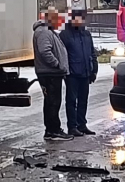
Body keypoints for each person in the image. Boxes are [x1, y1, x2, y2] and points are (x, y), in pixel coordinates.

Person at [32, 9, 72, 141]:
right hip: (50, 73)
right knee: (53, 102)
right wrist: (57, 64)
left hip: (51, 73)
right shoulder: (43, 31)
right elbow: (45, 51)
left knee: (52, 102)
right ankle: (53, 130)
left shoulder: (47, 30)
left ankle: (52, 129)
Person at [59, 8, 98, 137]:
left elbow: (92, 53)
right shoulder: (65, 35)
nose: (80, 21)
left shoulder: (86, 34)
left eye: (81, 18)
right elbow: (62, 55)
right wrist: (65, 71)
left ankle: (82, 124)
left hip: (85, 72)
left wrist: (94, 69)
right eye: (77, 18)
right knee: (71, 101)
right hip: (72, 74)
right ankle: (72, 126)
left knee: (83, 100)